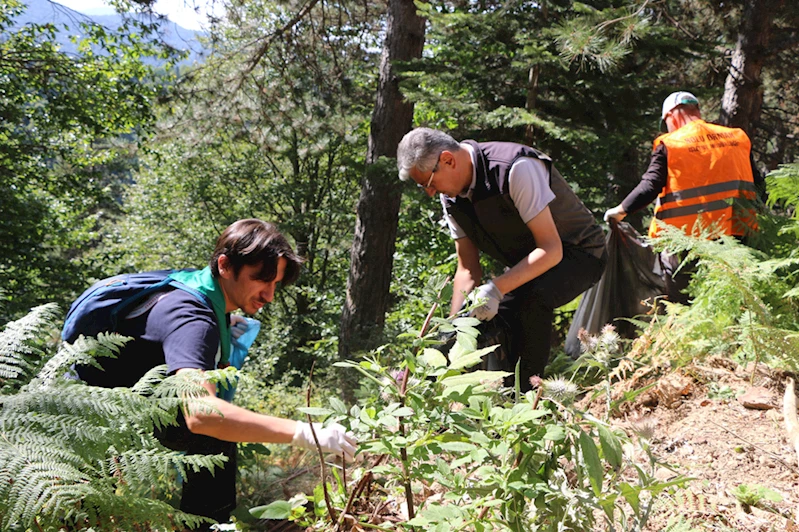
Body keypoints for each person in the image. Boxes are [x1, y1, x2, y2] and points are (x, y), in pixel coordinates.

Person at [74, 219, 356, 528]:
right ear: (225, 265)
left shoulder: (196, 292)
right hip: (90, 428)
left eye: (276, 283)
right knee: (214, 432)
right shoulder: (193, 319)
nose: (269, 295)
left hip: (106, 412)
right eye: (261, 279)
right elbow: (202, 414)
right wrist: (304, 433)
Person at [397, 128, 607, 392]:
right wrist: (452, 327)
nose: (429, 193)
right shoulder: (450, 198)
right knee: (484, 320)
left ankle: (527, 401)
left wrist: (497, 288)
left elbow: (551, 249)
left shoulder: (515, 168)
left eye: (427, 183)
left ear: (448, 160)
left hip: (581, 252)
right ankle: (488, 398)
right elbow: (467, 269)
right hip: (532, 262)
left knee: (528, 299)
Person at [604, 91, 765, 304]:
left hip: (685, 245)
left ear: (672, 115)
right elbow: (759, 185)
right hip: (736, 240)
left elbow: (650, 185)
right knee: (733, 306)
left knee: (686, 310)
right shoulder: (736, 138)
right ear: (696, 110)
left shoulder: (671, 144)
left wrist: (620, 210)